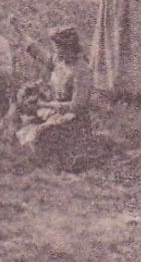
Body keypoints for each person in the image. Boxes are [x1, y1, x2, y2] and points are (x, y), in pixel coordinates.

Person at [15, 26, 94, 162]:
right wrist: (18, 29)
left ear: (70, 47)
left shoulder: (81, 71)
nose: (55, 51)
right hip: (52, 112)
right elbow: (37, 52)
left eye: (58, 47)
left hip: (73, 120)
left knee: (39, 135)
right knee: (20, 124)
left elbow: (77, 106)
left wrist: (44, 104)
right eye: (54, 47)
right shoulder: (59, 60)